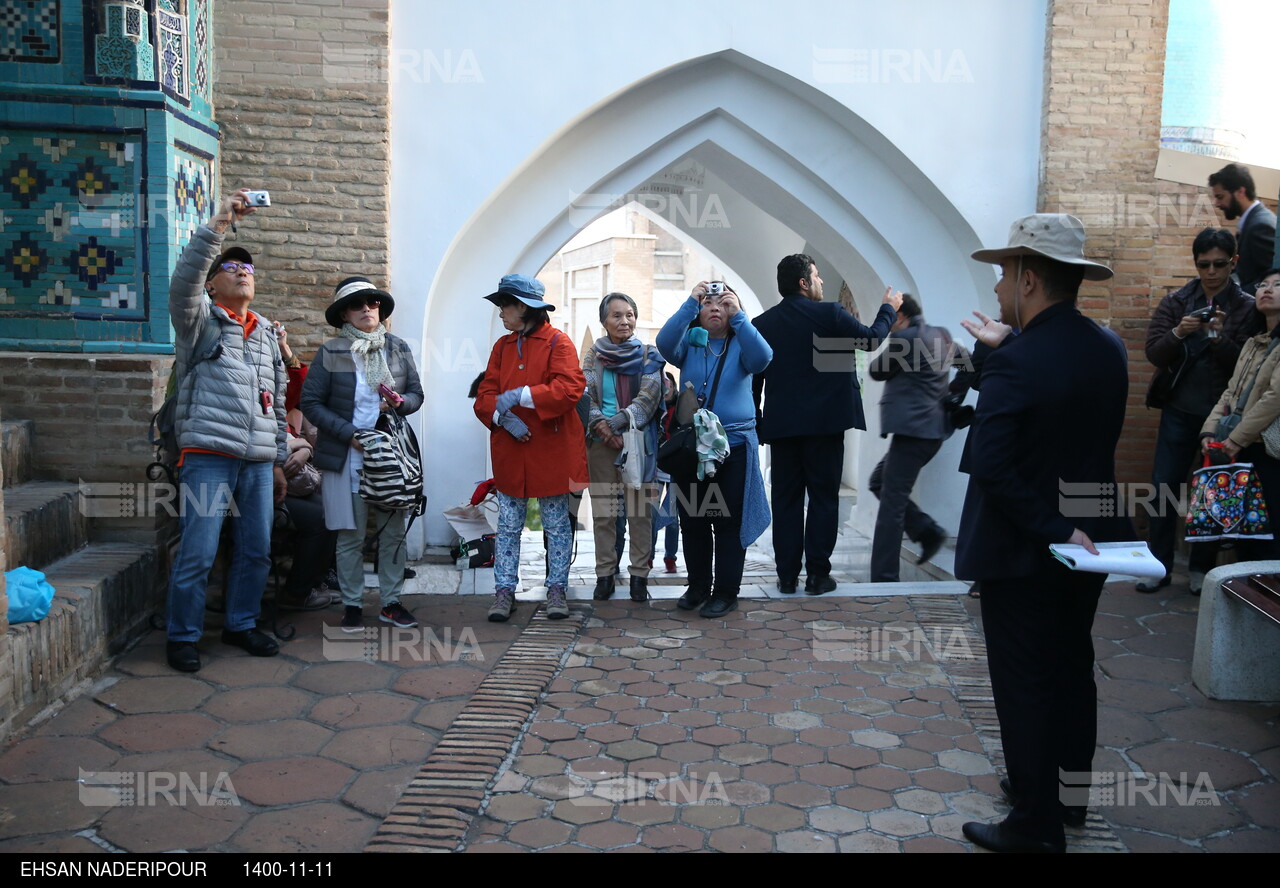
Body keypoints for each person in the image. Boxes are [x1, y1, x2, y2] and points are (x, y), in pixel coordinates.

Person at [956, 214, 1133, 854]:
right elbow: (1064, 415)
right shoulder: (1107, 346)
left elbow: (993, 463)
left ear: (1029, 278)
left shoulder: (1018, 362)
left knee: (1025, 683)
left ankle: (1034, 825)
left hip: (1028, 549)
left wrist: (1054, 530)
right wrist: (1007, 351)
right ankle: (1068, 799)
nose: (999, 287)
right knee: (1070, 667)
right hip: (1092, 544)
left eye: (1005, 274)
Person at [164, 188, 288, 673]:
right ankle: (183, 635)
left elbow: (276, 405)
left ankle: (241, 623)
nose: (243, 272)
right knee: (199, 549)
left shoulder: (265, 336)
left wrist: (277, 459)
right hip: (208, 457)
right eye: (232, 268)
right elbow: (183, 282)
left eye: (249, 269)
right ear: (212, 285)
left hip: (257, 462)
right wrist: (218, 225)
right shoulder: (198, 321)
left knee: (256, 549)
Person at [753, 254, 899, 595]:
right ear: (804, 282)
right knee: (823, 499)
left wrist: (759, 421)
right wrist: (888, 308)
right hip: (826, 426)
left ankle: (787, 576)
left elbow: (754, 378)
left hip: (783, 428)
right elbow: (871, 339)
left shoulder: (763, 324)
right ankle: (818, 575)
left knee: (786, 502)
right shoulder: (831, 314)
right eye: (817, 276)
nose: (820, 282)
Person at [300, 276, 424, 633]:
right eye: (357, 304)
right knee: (350, 534)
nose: (367, 308)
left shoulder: (396, 348)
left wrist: (401, 404)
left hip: (389, 456)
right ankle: (353, 604)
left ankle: (391, 602)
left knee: (391, 532)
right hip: (346, 455)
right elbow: (311, 403)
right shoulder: (333, 352)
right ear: (344, 315)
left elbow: (417, 394)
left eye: (373, 302)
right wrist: (349, 434)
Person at [1142, 228, 1258, 593]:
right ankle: (1156, 565)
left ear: (1233, 262)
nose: (1211, 271)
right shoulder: (1178, 300)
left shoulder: (1248, 306)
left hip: (1224, 417)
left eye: (1219, 264)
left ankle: (1200, 569)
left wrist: (1218, 337)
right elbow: (1154, 353)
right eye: (1203, 264)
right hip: (1180, 408)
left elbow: (1250, 365)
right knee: (1163, 488)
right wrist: (1179, 332)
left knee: (1214, 492)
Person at [474, 274, 589, 622]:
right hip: (512, 450)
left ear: (523, 308)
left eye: (504, 305)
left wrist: (521, 396)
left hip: (552, 452)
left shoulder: (559, 342)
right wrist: (502, 417)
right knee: (508, 526)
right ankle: (504, 591)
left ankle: (557, 589)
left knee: (556, 526)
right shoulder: (502, 347)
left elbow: (570, 389)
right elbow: (484, 395)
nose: (500, 313)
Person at [656, 281, 772, 618]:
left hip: (732, 447)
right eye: (708, 303)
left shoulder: (742, 344)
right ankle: (697, 587)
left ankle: (725, 592)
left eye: (723, 302)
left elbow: (764, 358)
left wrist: (740, 318)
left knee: (727, 521)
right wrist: (689, 303)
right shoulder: (691, 344)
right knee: (693, 520)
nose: (715, 307)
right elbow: (665, 343)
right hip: (693, 449)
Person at [582, 292, 665, 603]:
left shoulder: (648, 355)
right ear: (604, 321)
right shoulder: (592, 356)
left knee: (639, 512)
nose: (624, 321)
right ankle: (605, 574)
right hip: (600, 443)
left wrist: (617, 423)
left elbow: (650, 396)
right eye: (616, 315)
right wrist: (602, 427)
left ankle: (639, 578)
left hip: (637, 441)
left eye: (629, 314)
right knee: (604, 512)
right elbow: (585, 395)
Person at [867, 293, 955, 582]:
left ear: (900, 316)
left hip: (912, 432)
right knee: (878, 481)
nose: (891, 325)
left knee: (892, 503)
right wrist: (951, 397)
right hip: (932, 431)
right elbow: (967, 364)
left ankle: (884, 577)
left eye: (892, 318)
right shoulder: (942, 335)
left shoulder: (904, 339)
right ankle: (928, 532)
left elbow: (876, 370)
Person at [1198, 268, 1280, 561]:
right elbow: (1230, 392)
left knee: (1269, 532)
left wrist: (1236, 438)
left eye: (1278, 285)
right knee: (1242, 530)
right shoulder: (1253, 342)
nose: (1267, 289)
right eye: (1263, 284)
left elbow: (1274, 398)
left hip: (1267, 450)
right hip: (1240, 447)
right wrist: (1209, 431)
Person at [1208, 163, 1276, 294]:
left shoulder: (1260, 225)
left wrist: (1233, 296)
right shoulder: (1253, 221)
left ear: (1240, 192)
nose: (1217, 204)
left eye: (1220, 197)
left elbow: (1269, 279)